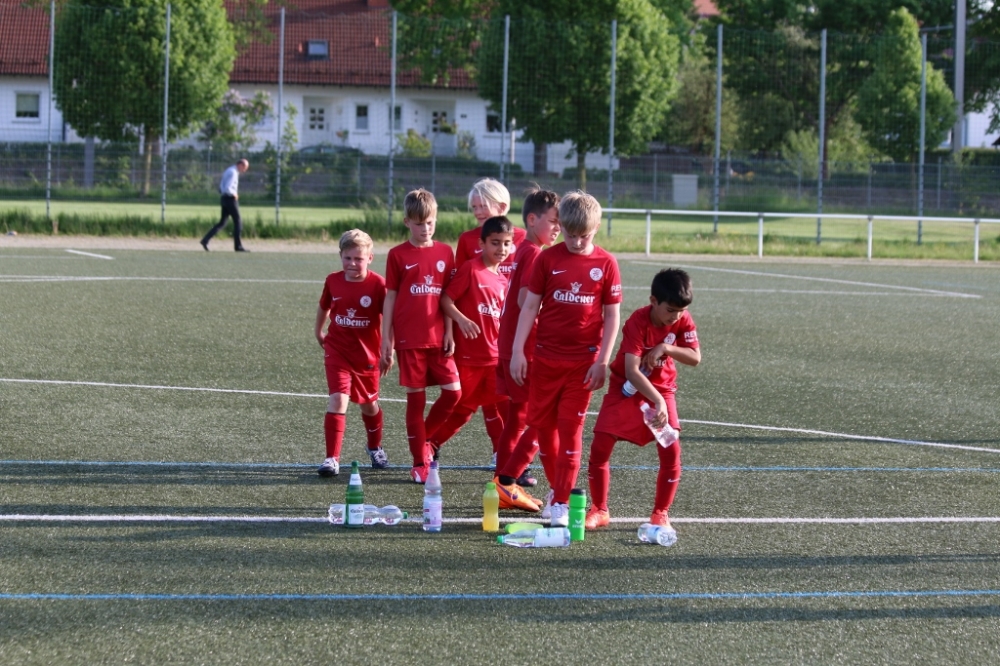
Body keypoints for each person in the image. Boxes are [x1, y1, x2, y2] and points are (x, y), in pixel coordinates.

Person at [507, 191, 622, 527]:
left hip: (582, 365)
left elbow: (612, 316)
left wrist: (602, 360)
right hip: (545, 360)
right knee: (544, 430)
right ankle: (559, 492)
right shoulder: (547, 259)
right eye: (570, 234)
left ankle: (560, 501)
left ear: (596, 228)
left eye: (583, 235)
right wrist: (517, 351)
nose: (575, 241)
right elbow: (530, 306)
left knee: (571, 432)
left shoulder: (606, 264)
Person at [585, 269, 701, 532]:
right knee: (601, 444)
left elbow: (695, 357)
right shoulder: (637, 321)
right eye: (670, 310)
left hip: (661, 388)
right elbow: (631, 371)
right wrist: (659, 401)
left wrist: (666, 348)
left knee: (670, 449)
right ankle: (599, 509)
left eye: (681, 311)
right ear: (653, 301)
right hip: (626, 388)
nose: (676, 316)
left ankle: (660, 513)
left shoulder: (682, 318)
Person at [380, 189, 462, 484]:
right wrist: (386, 339)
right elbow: (390, 298)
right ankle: (418, 463)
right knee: (416, 401)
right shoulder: (397, 255)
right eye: (418, 224)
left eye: (430, 222)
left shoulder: (446, 252)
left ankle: (424, 442)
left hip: (439, 337)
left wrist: (450, 330)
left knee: (454, 393)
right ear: (407, 222)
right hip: (409, 339)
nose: (425, 228)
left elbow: (448, 297)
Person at [492, 188, 561, 509]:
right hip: (525, 349)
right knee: (542, 417)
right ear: (532, 220)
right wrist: (560, 311)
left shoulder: (524, 248)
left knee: (518, 418)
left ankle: (505, 483)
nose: (559, 228)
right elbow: (524, 300)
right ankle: (510, 481)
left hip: (511, 344)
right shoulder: (534, 254)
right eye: (554, 221)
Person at [427, 216, 514, 460]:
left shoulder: (503, 280)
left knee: (508, 408)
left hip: (494, 358)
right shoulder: (471, 269)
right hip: (469, 357)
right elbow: (446, 300)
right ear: (482, 243)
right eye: (495, 243)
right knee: (463, 410)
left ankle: (510, 458)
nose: (501, 249)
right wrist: (462, 320)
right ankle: (429, 443)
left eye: (506, 243)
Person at [453, 178, 527, 461]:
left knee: (511, 397)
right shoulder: (467, 240)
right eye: (474, 207)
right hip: (481, 330)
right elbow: (457, 288)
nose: (478, 212)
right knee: (487, 399)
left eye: (482, 205)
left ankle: (512, 454)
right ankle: (501, 453)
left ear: (502, 206)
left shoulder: (523, 238)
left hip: (514, 327)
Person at [314, 230, 389, 476]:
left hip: (367, 356)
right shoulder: (333, 281)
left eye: (359, 259)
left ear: (370, 258)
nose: (352, 263)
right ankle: (331, 459)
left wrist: (388, 347)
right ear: (340, 256)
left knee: (369, 405)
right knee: (338, 399)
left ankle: (374, 447)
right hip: (337, 350)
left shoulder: (378, 285)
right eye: (348, 258)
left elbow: (390, 318)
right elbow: (324, 306)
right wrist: (318, 331)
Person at [201, 158, 249, 252]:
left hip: (224, 199)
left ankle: (205, 240)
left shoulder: (229, 170)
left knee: (222, 222)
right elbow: (228, 188)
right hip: (230, 199)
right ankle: (238, 246)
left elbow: (221, 187)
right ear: (241, 165)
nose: (244, 170)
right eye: (245, 168)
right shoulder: (233, 173)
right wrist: (234, 194)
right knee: (238, 222)